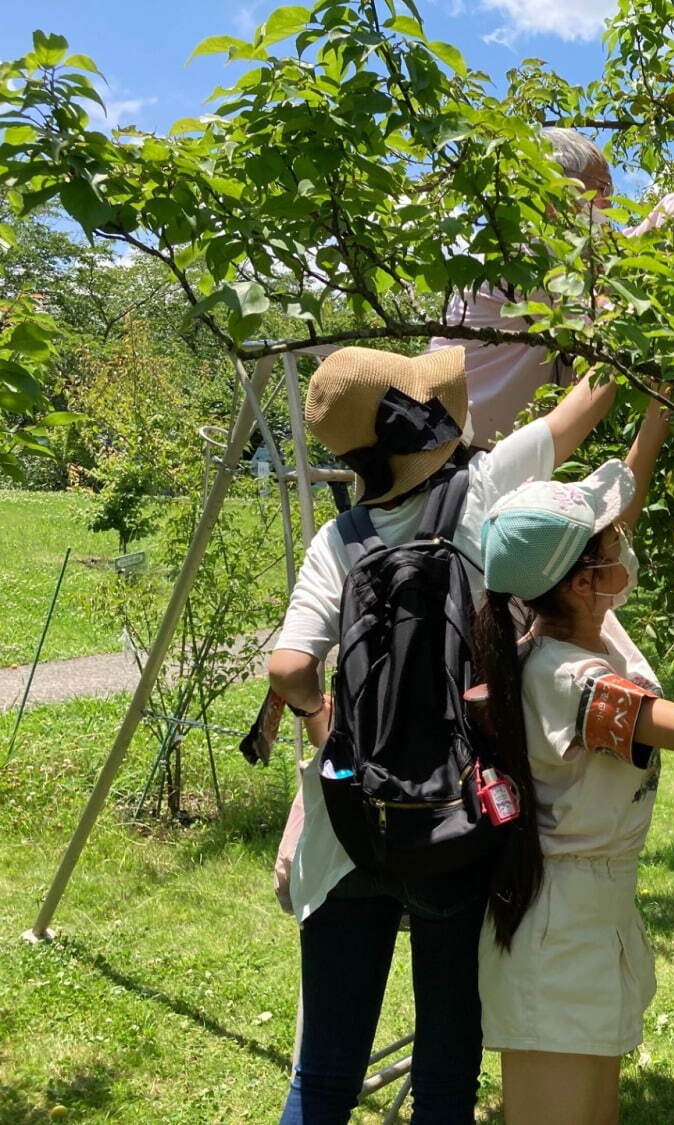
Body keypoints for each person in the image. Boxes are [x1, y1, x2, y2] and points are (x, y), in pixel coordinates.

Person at [266, 342, 621, 1124]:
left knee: (323, 1072)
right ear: (424, 422)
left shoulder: (340, 541)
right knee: (446, 1069)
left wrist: (325, 724)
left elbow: (290, 667)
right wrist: (634, 326)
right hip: (457, 822)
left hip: (350, 827)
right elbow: (586, 403)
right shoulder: (486, 487)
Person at [470, 396, 674, 1125]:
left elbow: (617, 512)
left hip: (588, 916)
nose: (622, 547)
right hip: (559, 932)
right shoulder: (576, 682)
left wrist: (658, 407)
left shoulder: (578, 624)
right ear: (582, 578)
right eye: (609, 547)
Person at [426, 128, 674, 450]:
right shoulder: (522, 255)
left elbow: (621, 252)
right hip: (443, 450)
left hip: (476, 450)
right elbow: (612, 308)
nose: (608, 202)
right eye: (601, 187)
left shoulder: (549, 254)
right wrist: (669, 236)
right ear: (554, 186)